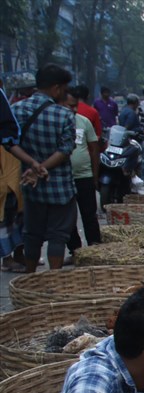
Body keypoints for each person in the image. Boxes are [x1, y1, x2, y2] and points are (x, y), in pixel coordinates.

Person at [9, 63, 76, 273]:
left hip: (30, 185)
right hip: (60, 187)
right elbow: (65, 150)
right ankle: (53, 277)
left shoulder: (16, 110)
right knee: (58, 235)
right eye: (64, 89)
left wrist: (32, 164)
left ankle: (30, 276)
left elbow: (9, 143)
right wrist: (42, 167)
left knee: (32, 233)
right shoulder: (64, 115)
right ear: (56, 88)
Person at [64, 89, 102, 256]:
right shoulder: (57, 122)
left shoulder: (84, 122)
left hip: (84, 176)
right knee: (68, 217)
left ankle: (95, 248)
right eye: (69, 106)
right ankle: (75, 250)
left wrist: (95, 175)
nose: (73, 109)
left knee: (89, 214)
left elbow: (94, 150)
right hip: (64, 178)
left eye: (75, 106)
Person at [0, 78, 27, 272]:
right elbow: (10, 133)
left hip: (8, 167)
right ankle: (8, 258)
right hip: (6, 168)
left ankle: (13, 255)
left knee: (13, 212)